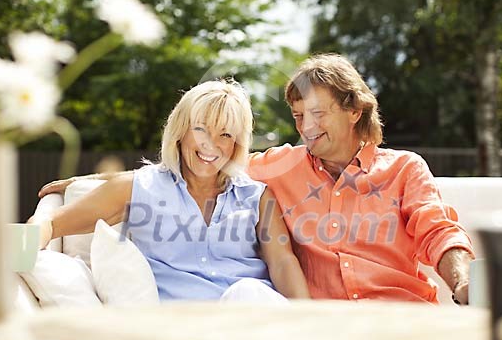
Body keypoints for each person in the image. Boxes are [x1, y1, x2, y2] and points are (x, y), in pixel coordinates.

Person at [39, 54, 474, 304]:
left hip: (394, 317)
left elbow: (439, 231)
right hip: (273, 334)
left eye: (318, 114)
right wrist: (88, 183)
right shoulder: (274, 168)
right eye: (299, 117)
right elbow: (187, 164)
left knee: (251, 293)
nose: (306, 128)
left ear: (355, 111)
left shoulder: (402, 170)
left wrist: (463, 282)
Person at [32, 80, 310, 302]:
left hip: (251, 318)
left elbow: (282, 262)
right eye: (200, 130)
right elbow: (52, 223)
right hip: (180, 330)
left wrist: (308, 321)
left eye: (225, 135)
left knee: (248, 292)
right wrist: (23, 245)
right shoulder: (138, 188)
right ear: (181, 131)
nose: (210, 145)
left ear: (236, 143)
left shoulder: (257, 197)